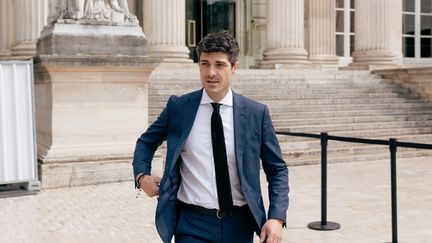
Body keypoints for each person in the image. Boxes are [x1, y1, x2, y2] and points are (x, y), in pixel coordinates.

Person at [132, 32, 289, 243]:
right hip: (191, 224)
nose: (211, 72)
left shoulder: (255, 113)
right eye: (204, 64)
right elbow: (145, 142)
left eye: (220, 65)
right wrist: (142, 177)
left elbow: (277, 169)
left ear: (234, 67)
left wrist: (277, 217)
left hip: (239, 225)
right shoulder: (179, 108)